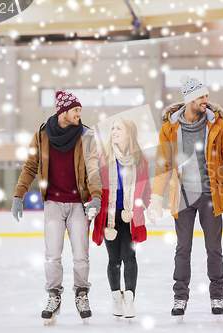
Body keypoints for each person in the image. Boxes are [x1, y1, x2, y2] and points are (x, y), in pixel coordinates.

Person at [146, 75, 223, 318]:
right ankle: (179, 298)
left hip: (210, 195)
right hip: (182, 196)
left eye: (206, 95)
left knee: (213, 248)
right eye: (201, 96)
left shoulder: (218, 124)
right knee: (182, 248)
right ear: (189, 98)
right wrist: (155, 198)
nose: (206, 100)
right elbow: (164, 166)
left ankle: (217, 296)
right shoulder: (170, 128)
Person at [11, 91, 102, 325]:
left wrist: (96, 196)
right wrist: (19, 195)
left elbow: (93, 167)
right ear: (63, 112)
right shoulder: (42, 136)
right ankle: (54, 297)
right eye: (76, 110)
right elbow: (30, 166)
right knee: (52, 256)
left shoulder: (86, 135)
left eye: (80, 110)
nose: (80, 115)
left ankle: (82, 294)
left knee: (81, 256)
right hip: (53, 203)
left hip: (78, 205)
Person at [92, 117, 151, 320]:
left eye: (119, 128)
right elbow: (94, 186)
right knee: (114, 260)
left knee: (130, 257)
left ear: (129, 133)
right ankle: (116, 297)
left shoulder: (140, 160)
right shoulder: (103, 158)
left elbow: (146, 192)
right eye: (112, 128)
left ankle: (130, 301)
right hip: (108, 217)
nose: (114, 131)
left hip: (130, 217)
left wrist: (145, 208)